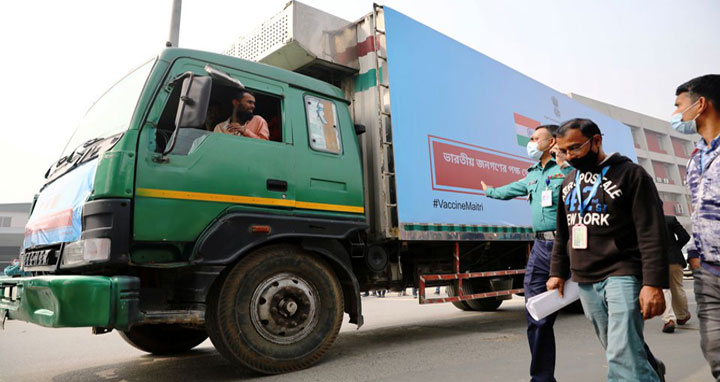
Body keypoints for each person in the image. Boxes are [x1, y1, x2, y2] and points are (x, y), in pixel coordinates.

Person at [547, 118, 668, 382]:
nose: (569, 156)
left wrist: (653, 283)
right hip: (585, 278)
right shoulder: (569, 181)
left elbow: (651, 231)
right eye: (563, 151)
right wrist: (557, 271)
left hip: (622, 271)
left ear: (597, 141)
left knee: (620, 351)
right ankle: (651, 370)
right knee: (616, 346)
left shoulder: (631, 174)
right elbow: (564, 232)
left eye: (575, 148)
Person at [481, 124, 570, 382]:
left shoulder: (567, 170)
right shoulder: (532, 174)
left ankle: (644, 365)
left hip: (568, 246)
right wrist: (490, 192)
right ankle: (542, 379)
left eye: (535, 138)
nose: (530, 142)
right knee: (535, 313)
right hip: (541, 248)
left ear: (552, 141)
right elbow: (511, 190)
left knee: (602, 310)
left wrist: (564, 161)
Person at [671, 74, 720, 380]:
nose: (675, 114)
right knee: (715, 352)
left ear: (700, 104)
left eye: (678, 106)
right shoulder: (695, 159)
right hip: (708, 272)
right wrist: (696, 253)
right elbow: (697, 211)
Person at [660, 214, 691, 333]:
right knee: (677, 287)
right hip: (674, 258)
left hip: (656, 260)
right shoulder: (670, 219)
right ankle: (682, 316)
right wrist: (675, 248)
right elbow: (685, 236)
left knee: (664, 289)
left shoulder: (646, 220)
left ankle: (669, 320)